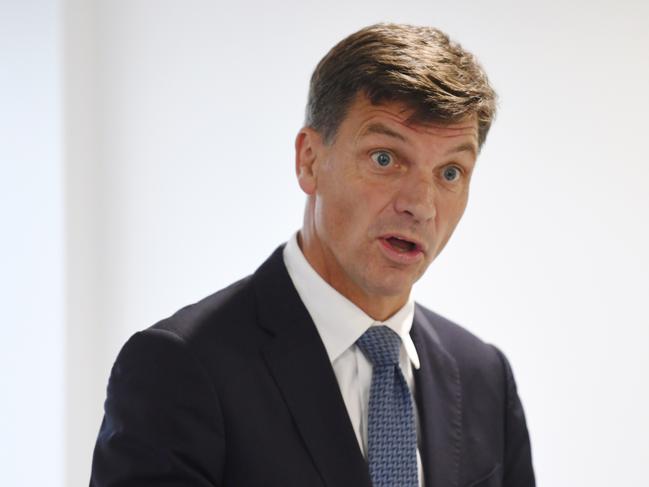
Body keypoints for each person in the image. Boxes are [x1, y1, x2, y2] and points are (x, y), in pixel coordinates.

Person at [90, 23, 535, 487]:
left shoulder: (484, 376)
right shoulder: (179, 368)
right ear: (309, 160)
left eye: (450, 171)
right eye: (385, 158)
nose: (421, 205)